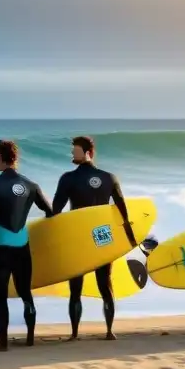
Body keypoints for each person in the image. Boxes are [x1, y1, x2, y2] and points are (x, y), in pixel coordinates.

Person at [52, 135, 134, 341]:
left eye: (75, 150)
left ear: (87, 152)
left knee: (76, 287)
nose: (72, 154)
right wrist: (130, 239)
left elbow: (55, 210)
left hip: (79, 237)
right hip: (102, 236)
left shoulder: (68, 179)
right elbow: (123, 211)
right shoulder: (109, 178)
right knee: (105, 283)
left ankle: (74, 333)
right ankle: (108, 331)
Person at [0, 139, 54, 351]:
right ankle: (30, 337)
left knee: (1, 295)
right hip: (22, 247)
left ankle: (2, 342)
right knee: (25, 293)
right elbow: (49, 212)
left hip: (0, 247)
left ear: (1, 158)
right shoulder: (31, 186)